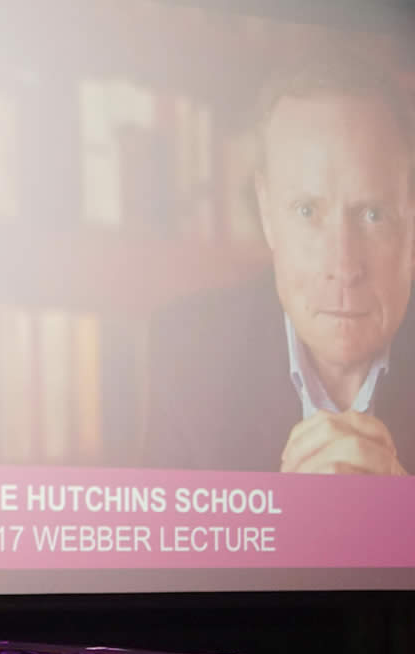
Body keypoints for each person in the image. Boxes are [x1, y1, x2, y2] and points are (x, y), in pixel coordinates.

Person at [145, 58, 413, 473]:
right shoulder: (189, 354)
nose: (344, 266)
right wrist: (277, 526)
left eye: (373, 214)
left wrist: (399, 519)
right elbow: (165, 539)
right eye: (307, 211)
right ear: (267, 214)